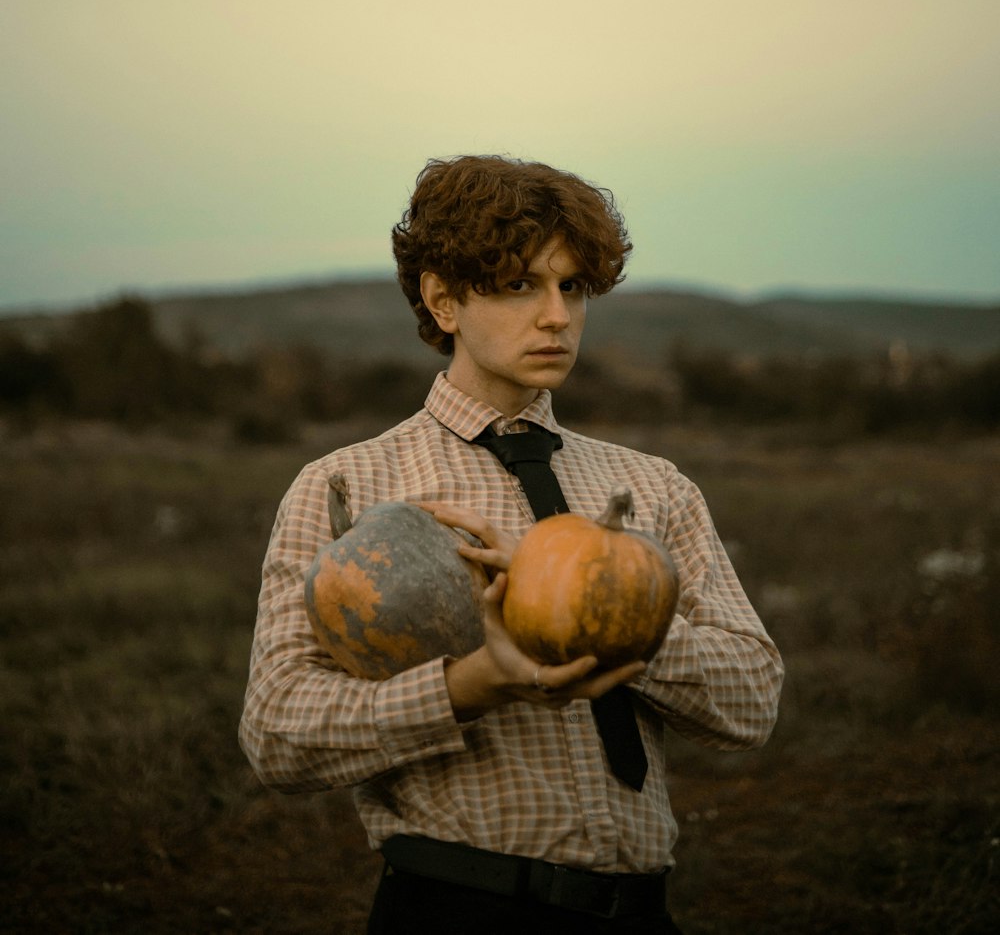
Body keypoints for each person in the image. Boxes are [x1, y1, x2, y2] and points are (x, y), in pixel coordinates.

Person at [240, 155, 783, 934]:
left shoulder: (653, 486)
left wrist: (593, 611)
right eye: (520, 284)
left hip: (640, 914)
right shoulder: (349, 486)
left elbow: (752, 702)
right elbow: (278, 732)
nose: (558, 316)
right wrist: (471, 684)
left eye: (573, 287)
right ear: (443, 299)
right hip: (454, 909)